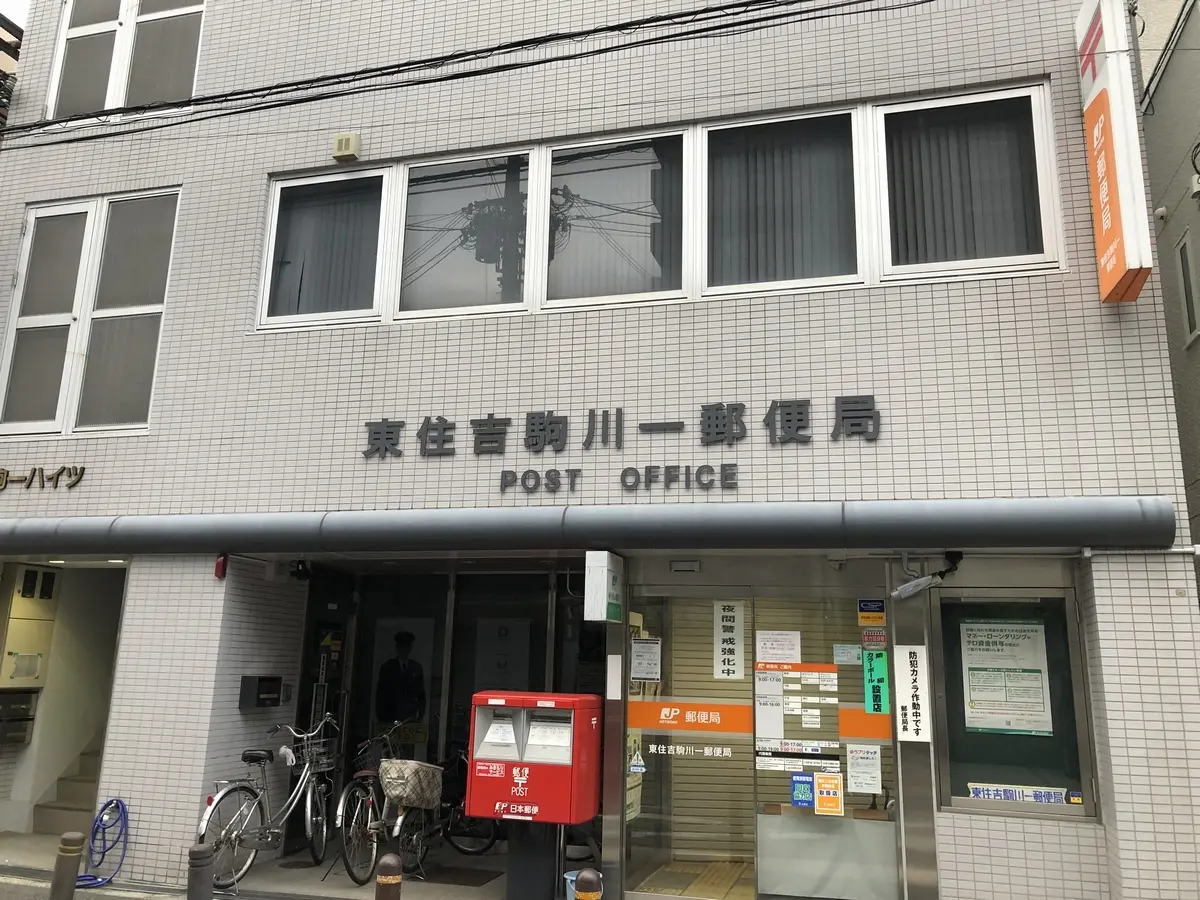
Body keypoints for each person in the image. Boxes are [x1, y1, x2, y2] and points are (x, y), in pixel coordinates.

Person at [375, 630, 427, 731]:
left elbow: (421, 695)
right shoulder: (388, 667)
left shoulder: (416, 668)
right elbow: (381, 695)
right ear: (397, 648)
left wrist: (420, 716)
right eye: (402, 646)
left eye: (407, 646)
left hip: (409, 720)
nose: (404, 649)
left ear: (410, 648)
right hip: (390, 718)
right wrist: (382, 719)